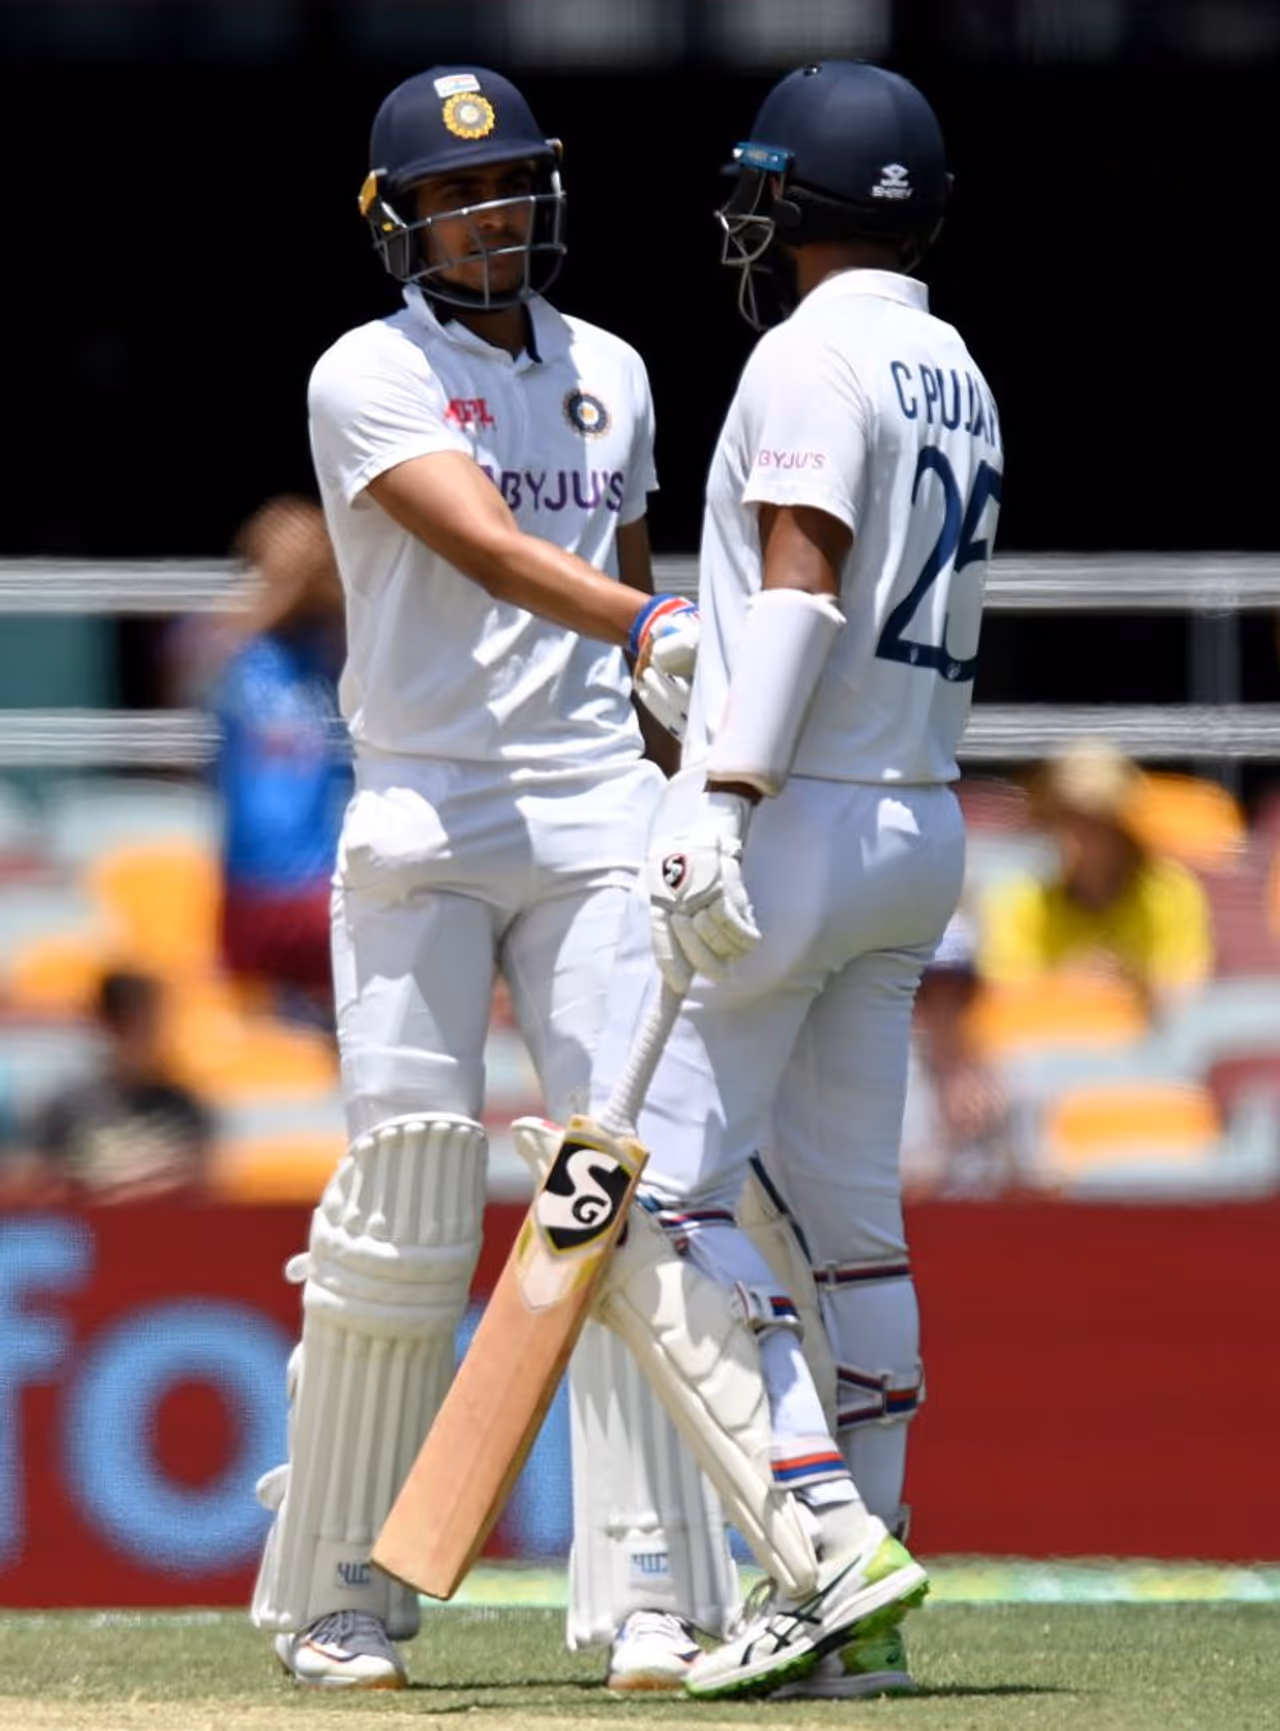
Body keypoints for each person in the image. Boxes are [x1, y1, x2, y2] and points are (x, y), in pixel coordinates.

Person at [249, 65, 738, 1692]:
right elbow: (496, 548)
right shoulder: (363, 374)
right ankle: (338, 1593)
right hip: (424, 823)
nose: (493, 212)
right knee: (401, 1204)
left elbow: (638, 585)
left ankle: (654, 1591)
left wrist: (687, 774)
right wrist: (652, 630)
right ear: (399, 218)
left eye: (513, 183)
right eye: (459, 194)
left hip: (594, 816)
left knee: (619, 1196)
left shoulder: (613, 369)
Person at [577, 60, 1003, 1699]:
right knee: (850, 1228)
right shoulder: (958, 363)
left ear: (800, 201)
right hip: (920, 815)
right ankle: (869, 1611)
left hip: (803, 808)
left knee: (654, 1209)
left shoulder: (809, 349)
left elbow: (809, 587)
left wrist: (723, 787)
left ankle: (823, 1546)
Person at [211, 495, 352, 1026]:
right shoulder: (236, 647)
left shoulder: (337, 644)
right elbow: (191, 659)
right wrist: (283, 579)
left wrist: (324, 567)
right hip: (250, 882)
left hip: (326, 883)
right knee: (258, 1038)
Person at [979, 739, 1214, 1018]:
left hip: (1150, 1051)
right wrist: (1072, 985)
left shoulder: (1172, 893)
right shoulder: (1017, 902)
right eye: (1067, 818)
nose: (1078, 835)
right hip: (1050, 1051)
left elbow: (1187, 998)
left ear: (1126, 827)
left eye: (1098, 819)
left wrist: (1129, 985)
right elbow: (1003, 1004)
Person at [25, 968, 214, 1201]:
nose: (152, 1035)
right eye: (136, 1022)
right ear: (108, 1025)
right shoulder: (67, 1108)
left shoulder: (183, 1106)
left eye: (154, 1023)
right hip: (93, 1234)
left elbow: (200, 1190)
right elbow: (46, 1192)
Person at [899, 910, 1023, 1196]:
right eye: (929, 993)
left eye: (959, 992)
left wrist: (996, 1127)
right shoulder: (888, 1082)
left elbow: (1031, 1190)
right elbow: (891, 1192)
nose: (945, 1008)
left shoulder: (1010, 1077)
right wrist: (951, 1135)